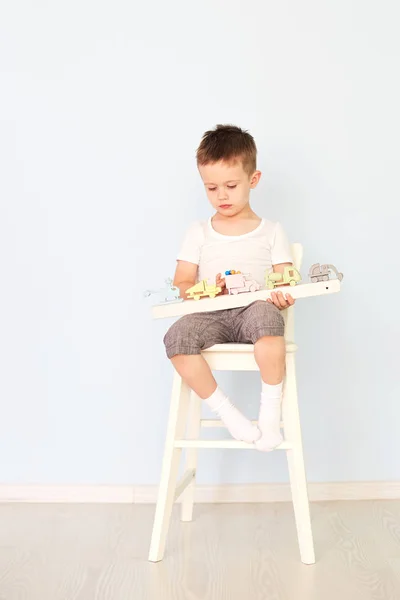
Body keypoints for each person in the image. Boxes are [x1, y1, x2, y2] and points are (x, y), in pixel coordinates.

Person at [164, 124, 295, 451]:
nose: (221, 195)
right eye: (211, 188)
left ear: (253, 180)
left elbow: (287, 276)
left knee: (268, 321)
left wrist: (283, 294)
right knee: (176, 338)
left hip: (256, 309)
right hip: (211, 312)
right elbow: (182, 282)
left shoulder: (271, 231)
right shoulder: (198, 231)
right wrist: (204, 289)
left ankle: (269, 411)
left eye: (231, 185)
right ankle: (228, 413)